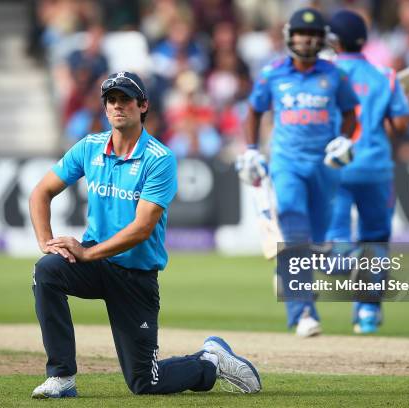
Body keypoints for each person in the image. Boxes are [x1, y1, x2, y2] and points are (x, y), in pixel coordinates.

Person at [29, 71, 261, 398]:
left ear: (143, 106)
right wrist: (45, 242)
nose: (117, 106)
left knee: (146, 384)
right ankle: (62, 377)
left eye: (125, 99)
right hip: (96, 263)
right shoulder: (90, 147)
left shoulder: (159, 158)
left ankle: (210, 362)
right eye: (111, 100)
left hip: (135, 275)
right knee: (47, 271)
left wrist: (86, 252)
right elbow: (41, 192)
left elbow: (141, 229)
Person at [236, 8, 358, 337]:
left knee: (317, 244)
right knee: (294, 233)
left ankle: (296, 270)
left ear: (322, 39)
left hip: (325, 167)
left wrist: (344, 138)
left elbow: (350, 113)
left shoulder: (334, 75)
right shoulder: (272, 74)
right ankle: (302, 310)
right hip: (286, 162)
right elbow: (254, 110)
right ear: (291, 37)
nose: (308, 39)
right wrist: (250, 149)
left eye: (314, 35)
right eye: (303, 34)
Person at [325, 10, 409, 333]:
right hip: (375, 168)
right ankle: (368, 312)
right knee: (376, 241)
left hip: (335, 168)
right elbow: (402, 124)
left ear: (333, 40)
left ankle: (347, 263)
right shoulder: (384, 76)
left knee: (334, 241)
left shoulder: (325, 76)